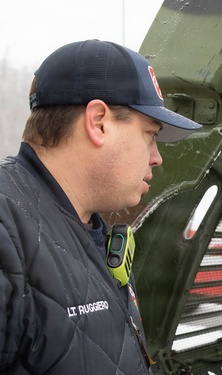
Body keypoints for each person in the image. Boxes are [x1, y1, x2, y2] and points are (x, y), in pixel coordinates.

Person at [0, 40, 201, 373]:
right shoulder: (7, 231)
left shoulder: (92, 231)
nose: (157, 157)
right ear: (98, 122)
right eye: (149, 134)